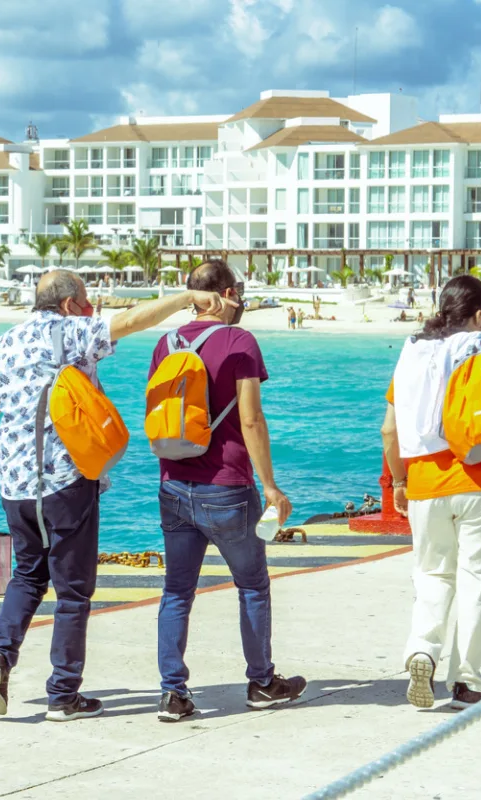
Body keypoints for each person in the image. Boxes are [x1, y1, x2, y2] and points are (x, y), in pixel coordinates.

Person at [0, 269, 231, 722]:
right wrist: (186, 297)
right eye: (87, 301)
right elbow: (131, 322)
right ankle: (63, 696)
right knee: (73, 592)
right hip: (65, 481)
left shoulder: (0, 345)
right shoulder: (68, 331)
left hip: (13, 484)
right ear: (70, 304)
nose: (92, 309)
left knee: (28, 576)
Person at [148, 259, 306, 723]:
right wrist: (271, 485)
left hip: (173, 483)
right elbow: (251, 418)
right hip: (228, 486)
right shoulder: (240, 341)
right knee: (252, 586)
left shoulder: (166, 342)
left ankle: (173, 693)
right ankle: (261, 682)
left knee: (177, 591)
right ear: (228, 293)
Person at [381, 275, 481, 711]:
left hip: (425, 485)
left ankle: (423, 650)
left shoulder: (410, 356)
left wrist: (401, 481)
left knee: (431, 575)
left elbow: (389, 429)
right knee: (478, 579)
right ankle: (467, 682)